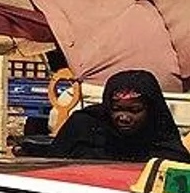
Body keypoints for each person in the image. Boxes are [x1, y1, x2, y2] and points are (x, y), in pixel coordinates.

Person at [50, 69, 190, 163]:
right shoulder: (84, 128)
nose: (124, 117)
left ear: (151, 110)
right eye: (116, 109)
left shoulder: (165, 147)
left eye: (134, 110)